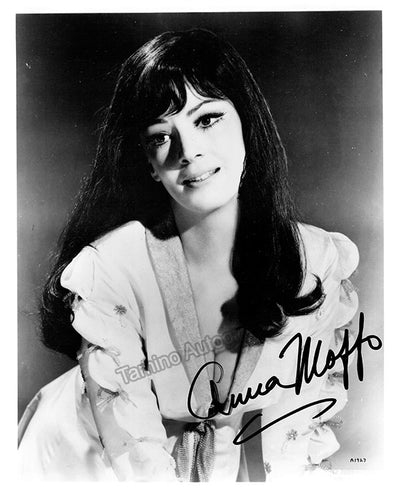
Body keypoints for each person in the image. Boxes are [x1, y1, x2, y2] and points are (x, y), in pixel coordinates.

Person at [18, 28, 359, 481]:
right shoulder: (111, 270)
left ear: (248, 125)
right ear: (148, 164)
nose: (188, 152)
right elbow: (133, 456)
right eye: (161, 136)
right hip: (92, 459)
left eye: (207, 119)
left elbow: (295, 427)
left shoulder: (312, 260)